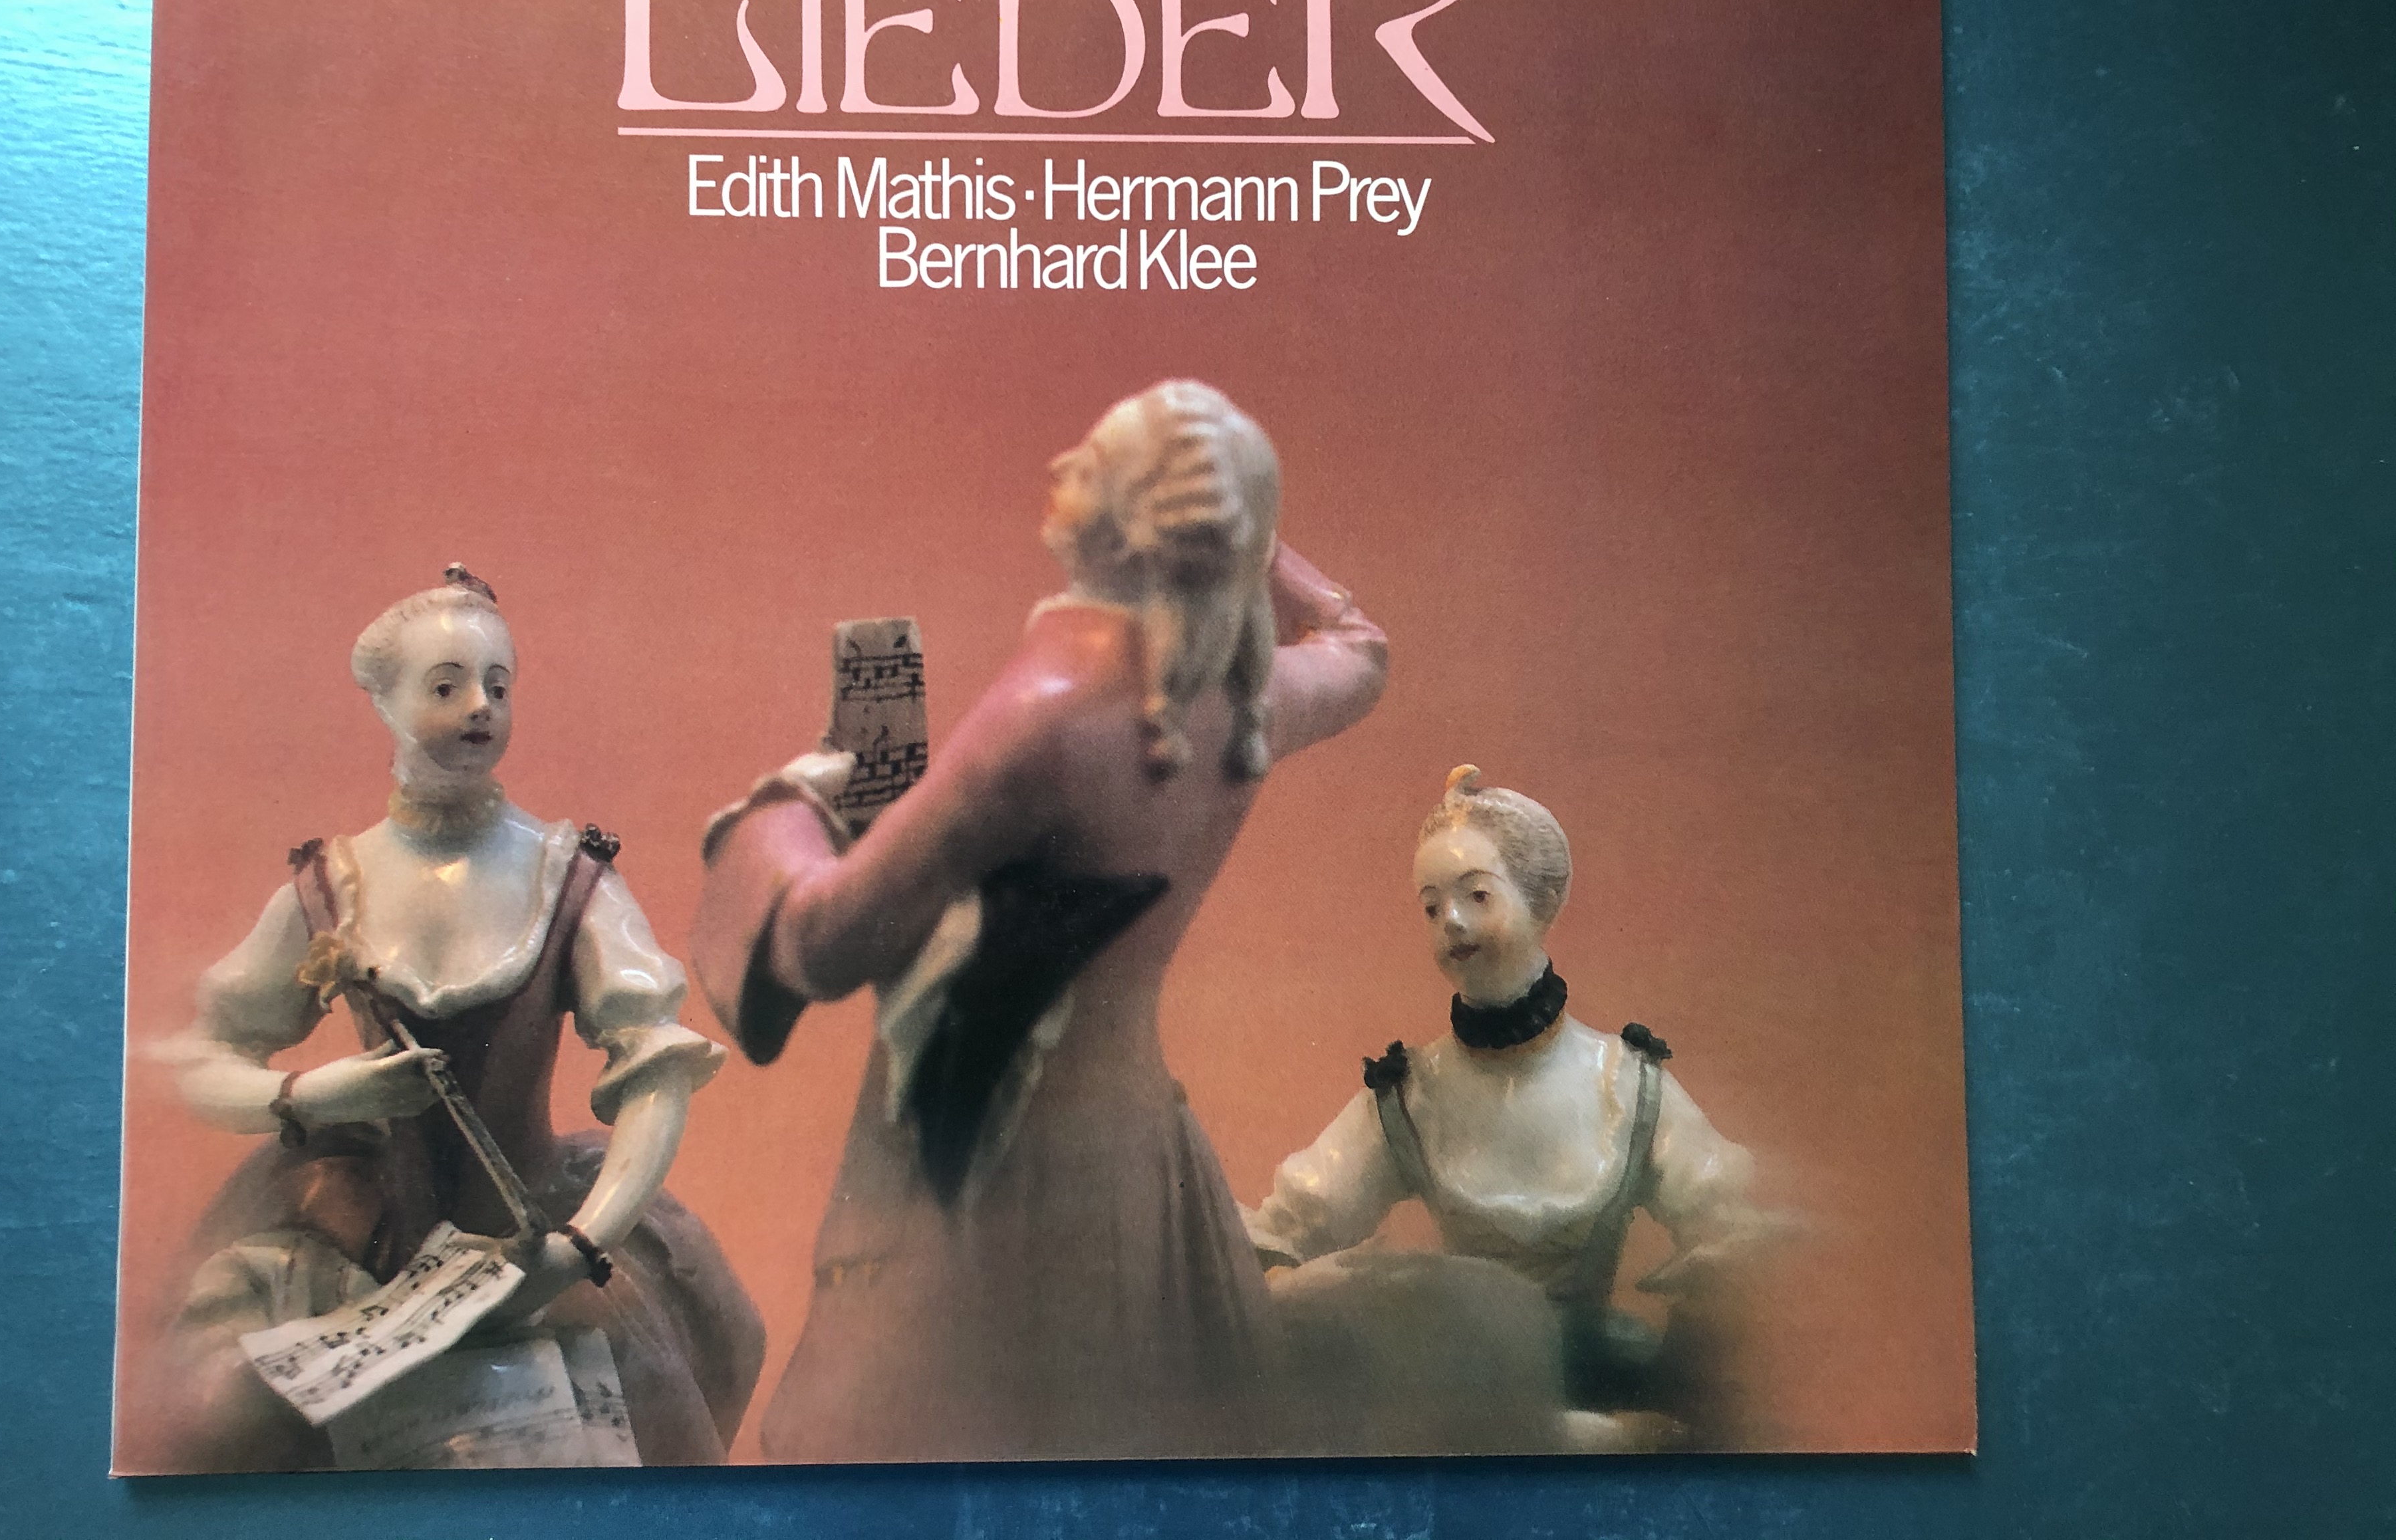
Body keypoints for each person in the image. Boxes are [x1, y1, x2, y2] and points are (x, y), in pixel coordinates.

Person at [693, 380, 1388, 1461]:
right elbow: (1360, 642)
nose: (1062, 466)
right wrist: (1245, 538)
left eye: (1095, 463)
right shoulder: (1241, 699)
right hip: (1137, 1135)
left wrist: (783, 809)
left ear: (1134, 522)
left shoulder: (1048, 710)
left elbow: (825, 943)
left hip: (986, 1153)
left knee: (959, 1461)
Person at [152, 567, 762, 1470]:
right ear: (386, 702)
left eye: (498, 686)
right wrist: (313, 1093)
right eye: (447, 686)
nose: (480, 706)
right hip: (361, 1243)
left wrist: (581, 1246)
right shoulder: (332, 886)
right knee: (223, 1416)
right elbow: (202, 1056)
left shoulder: (566, 878)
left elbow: (658, 1075)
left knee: (651, 1398)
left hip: (541, 1236)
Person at [1241, 764, 1773, 1452]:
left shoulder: (1630, 1084)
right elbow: (1291, 1228)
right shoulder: (1411, 1096)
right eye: (1431, 907)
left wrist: (1713, 1314)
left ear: (1543, 899)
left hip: (1603, 1397)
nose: (1452, 922)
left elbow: (1728, 1221)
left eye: (1477, 896)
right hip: (1469, 1411)